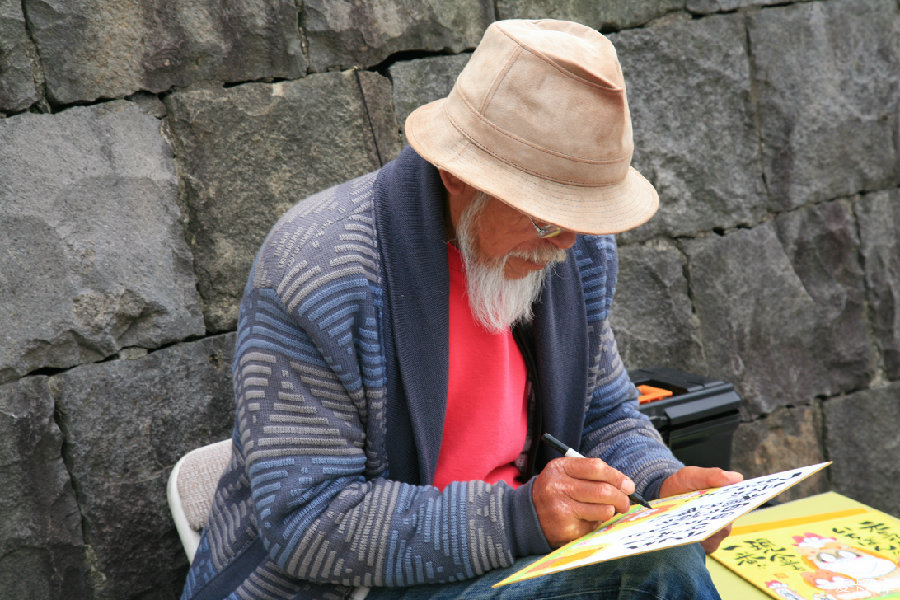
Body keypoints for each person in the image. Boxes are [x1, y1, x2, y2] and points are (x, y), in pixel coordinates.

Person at [180, 19, 743, 600]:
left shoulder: (575, 249)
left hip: (519, 551)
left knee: (666, 558)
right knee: (657, 575)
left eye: (585, 219)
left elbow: (604, 414)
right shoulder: (319, 271)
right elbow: (307, 521)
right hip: (350, 585)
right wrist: (521, 517)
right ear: (457, 173)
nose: (566, 246)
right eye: (547, 216)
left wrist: (661, 480)